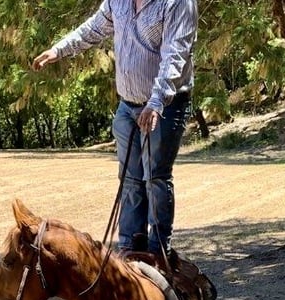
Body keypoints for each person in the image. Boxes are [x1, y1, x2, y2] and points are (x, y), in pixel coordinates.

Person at [33, 0, 198, 260]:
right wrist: (58, 50)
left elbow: (175, 54)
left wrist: (155, 102)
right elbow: (93, 29)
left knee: (155, 178)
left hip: (165, 105)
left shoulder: (177, 3)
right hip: (127, 107)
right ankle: (130, 251)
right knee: (130, 180)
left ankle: (157, 254)